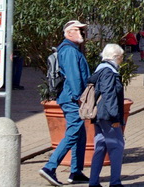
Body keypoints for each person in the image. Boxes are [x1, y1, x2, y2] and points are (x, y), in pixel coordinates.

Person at [40, 20, 92, 186]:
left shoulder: (72, 49)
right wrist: (79, 97)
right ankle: (50, 167)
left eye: (82, 30)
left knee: (80, 133)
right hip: (71, 97)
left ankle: (76, 172)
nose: (82, 33)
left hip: (71, 96)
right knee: (74, 131)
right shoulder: (69, 51)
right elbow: (73, 75)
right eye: (78, 30)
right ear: (69, 32)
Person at [85, 43, 125, 187]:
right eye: (121, 57)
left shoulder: (100, 69)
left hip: (99, 115)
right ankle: (115, 182)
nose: (122, 60)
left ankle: (93, 182)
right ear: (115, 57)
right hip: (107, 115)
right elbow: (109, 95)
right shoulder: (109, 71)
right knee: (117, 146)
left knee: (101, 147)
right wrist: (115, 117)